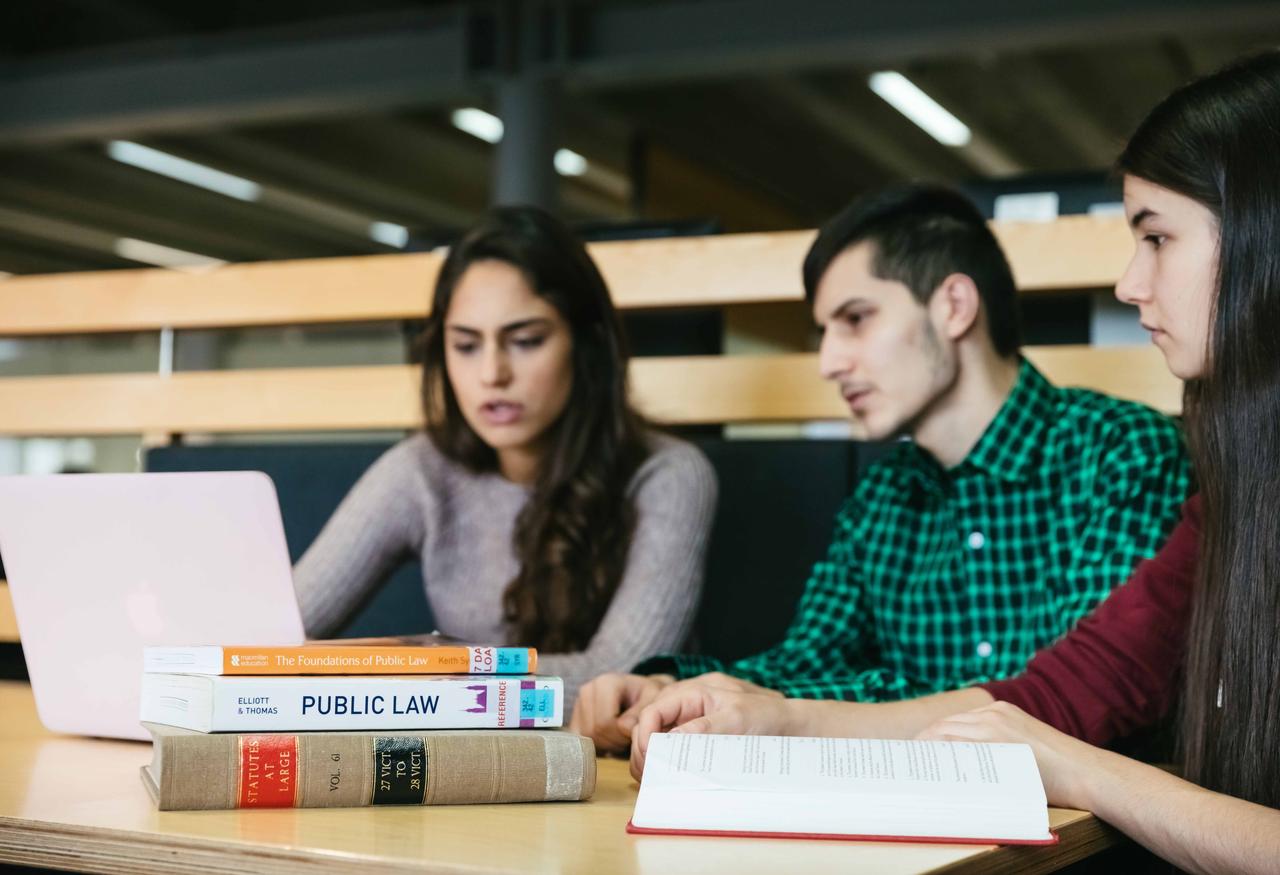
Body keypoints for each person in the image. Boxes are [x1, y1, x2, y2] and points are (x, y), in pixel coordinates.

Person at [629, 52, 1280, 874]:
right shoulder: (1233, 482)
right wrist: (735, 702)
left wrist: (788, 713)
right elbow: (1053, 693)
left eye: (1156, 236)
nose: (1128, 283)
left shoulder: (1124, 452)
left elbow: (1064, 723)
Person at [571, 183, 1190, 752]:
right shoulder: (884, 496)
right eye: (823, 333)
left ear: (953, 305)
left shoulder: (1122, 453)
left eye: (856, 319)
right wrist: (673, 689)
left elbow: (1064, 703)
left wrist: (793, 710)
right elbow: (805, 662)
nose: (830, 362)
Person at [293, 206, 717, 706]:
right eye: (466, 346)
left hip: (613, 763)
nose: (492, 374)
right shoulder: (421, 469)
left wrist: (426, 681)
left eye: (525, 341)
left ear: (586, 346)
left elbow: (620, 675)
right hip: (464, 759)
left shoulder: (668, 473)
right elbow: (270, 636)